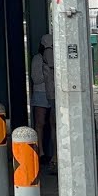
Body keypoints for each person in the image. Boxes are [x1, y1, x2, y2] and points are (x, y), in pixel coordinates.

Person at [30, 34, 57, 174]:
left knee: (54, 124)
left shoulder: (56, 58)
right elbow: (36, 78)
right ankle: (40, 152)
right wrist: (47, 71)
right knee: (40, 123)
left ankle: (54, 154)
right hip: (41, 93)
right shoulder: (37, 59)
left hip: (53, 93)